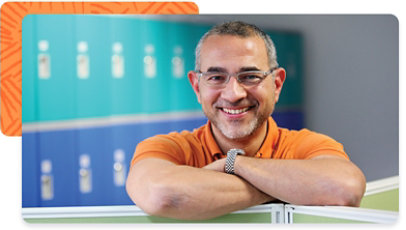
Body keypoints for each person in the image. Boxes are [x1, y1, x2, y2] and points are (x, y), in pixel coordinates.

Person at [126, 21, 366, 220]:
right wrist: (289, 188)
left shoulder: (305, 145)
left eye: (250, 76)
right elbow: (161, 195)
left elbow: (343, 188)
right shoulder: (167, 149)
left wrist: (232, 165)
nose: (234, 94)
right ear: (197, 87)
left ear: (277, 84)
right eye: (216, 77)